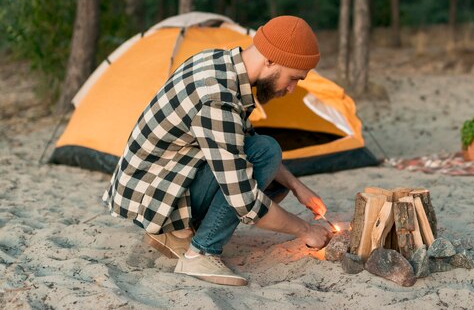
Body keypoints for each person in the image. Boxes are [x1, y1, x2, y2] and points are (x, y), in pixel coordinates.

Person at [102, 15, 333, 286]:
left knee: (272, 176)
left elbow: (241, 138)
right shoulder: (218, 97)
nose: (292, 89)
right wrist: (305, 230)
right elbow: (243, 199)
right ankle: (200, 252)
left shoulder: (219, 63)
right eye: (293, 78)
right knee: (266, 152)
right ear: (270, 59)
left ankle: (174, 233)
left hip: (156, 184)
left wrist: (296, 186)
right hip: (153, 198)